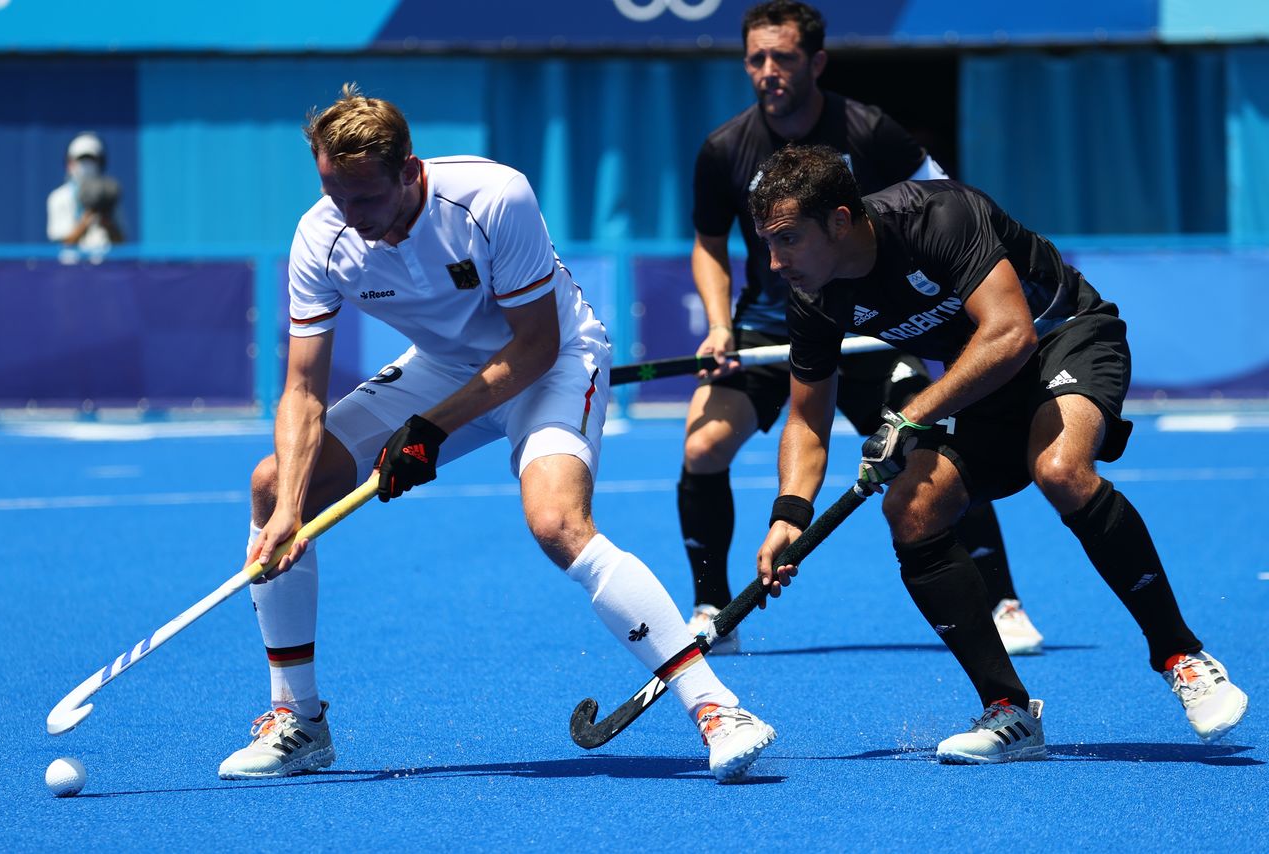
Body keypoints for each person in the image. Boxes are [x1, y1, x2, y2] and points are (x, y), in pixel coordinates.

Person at [216, 84, 776, 784]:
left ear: (410, 172)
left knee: (556, 521)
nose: (349, 217)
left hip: (553, 361)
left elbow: (536, 344)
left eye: (364, 199)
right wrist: (294, 511)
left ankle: (720, 710)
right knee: (272, 485)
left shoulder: (490, 198)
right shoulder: (321, 238)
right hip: (443, 370)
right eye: (335, 196)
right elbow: (301, 392)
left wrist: (430, 429)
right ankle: (299, 719)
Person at [750, 143, 1249, 763]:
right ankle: (1008, 711)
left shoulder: (936, 217)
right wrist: (788, 517)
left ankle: (1181, 654)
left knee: (1059, 468)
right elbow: (806, 418)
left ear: (841, 221)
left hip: (1061, 335)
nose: (775, 262)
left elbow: (1010, 332)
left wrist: (908, 418)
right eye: (768, 243)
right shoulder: (814, 296)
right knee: (911, 508)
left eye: (789, 239)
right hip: (982, 377)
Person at [680, 0, 1041, 656]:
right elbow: (708, 245)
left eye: (783, 57)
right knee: (703, 445)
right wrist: (717, 327)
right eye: (756, 58)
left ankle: (1001, 599)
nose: (768, 71)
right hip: (774, 326)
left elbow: (949, 203)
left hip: (876, 326)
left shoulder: (870, 130)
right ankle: (712, 607)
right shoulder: (724, 150)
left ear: (815, 61)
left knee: (929, 433)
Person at [46, 132, 124, 261]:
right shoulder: (58, 197)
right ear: (69, 163)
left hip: (104, 270)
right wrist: (86, 221)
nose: (86, 165)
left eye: (91, 160)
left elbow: (121, 243)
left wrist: (108, 223)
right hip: (71, 273)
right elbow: (63, 243)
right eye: (81, 160)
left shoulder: (109, 196)